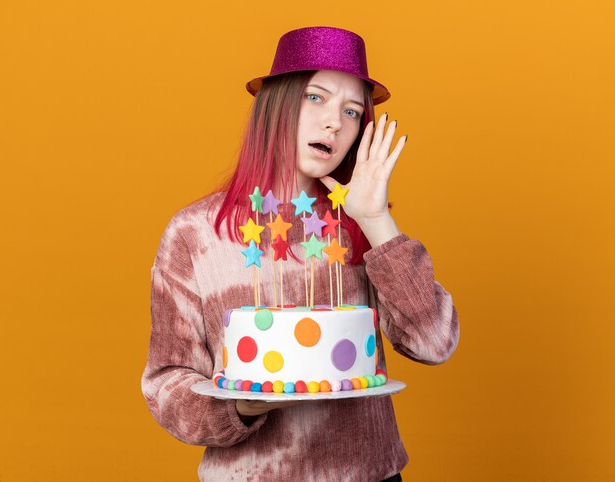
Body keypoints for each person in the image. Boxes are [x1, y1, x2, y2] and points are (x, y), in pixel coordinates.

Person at [142, 26, 459, 481]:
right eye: (316, 98)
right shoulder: (194, 234)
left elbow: (434, 343)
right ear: (276, 105)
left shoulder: (361, 229)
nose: (335, 121)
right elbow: (167, 384)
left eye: (352, 111)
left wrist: (375, 221)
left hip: (368, 474)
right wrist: (242, 405)